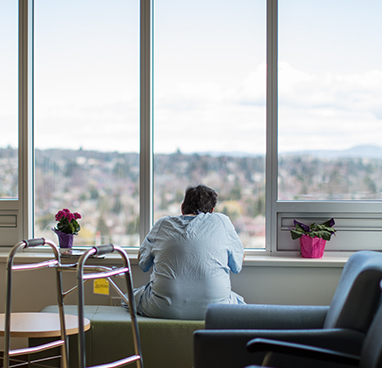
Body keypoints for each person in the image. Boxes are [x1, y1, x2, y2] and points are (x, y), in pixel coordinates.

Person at [131, 184, 246, 320]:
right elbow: (237, 265)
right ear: (212, 210)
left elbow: (143, 263)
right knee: (238, 302)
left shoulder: (163, 224)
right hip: (215, 310)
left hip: (162, 308)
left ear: (182, 207)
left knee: (130, 297)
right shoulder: (221, 221)